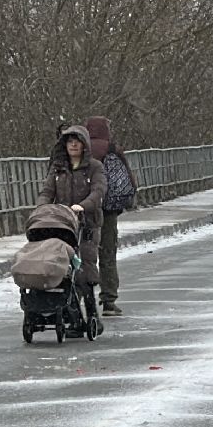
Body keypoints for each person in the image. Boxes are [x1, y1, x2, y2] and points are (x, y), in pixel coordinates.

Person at [39, 124, 105, 321]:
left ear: (84, 145)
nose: (73, 145)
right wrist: (43, 207)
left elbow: (98, 191)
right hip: (63, 224)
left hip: (86, 224)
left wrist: (83, 206)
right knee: (64, 267)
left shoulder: (94, 167)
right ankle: (72, 314)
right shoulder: (59, 168)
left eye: (77, 141)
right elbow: (47, 191)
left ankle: (92, 312)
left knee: (85, 266)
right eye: (69, 141)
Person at [84, 116, 140, 317]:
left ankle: (80, 297)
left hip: (84, 209)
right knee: (107, 253)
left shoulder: (80, 148)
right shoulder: (112, 148)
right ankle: (108, 300)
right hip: (108, 209)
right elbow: (128, 177)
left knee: (83, 253)